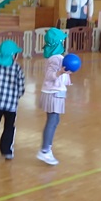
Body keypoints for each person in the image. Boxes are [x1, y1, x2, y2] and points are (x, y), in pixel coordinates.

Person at [37, 28, 70, 166]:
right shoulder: (56, 58)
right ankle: (45, 150)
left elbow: (60, 76)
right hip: (53, 93)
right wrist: (60, 73)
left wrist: (65, 74)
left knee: (54, 120)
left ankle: (47, 148)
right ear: (58, 43)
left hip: (55, 92)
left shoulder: (56, 57)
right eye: (62, 41)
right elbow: (50, 75)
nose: (63, 42)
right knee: (52, 121)